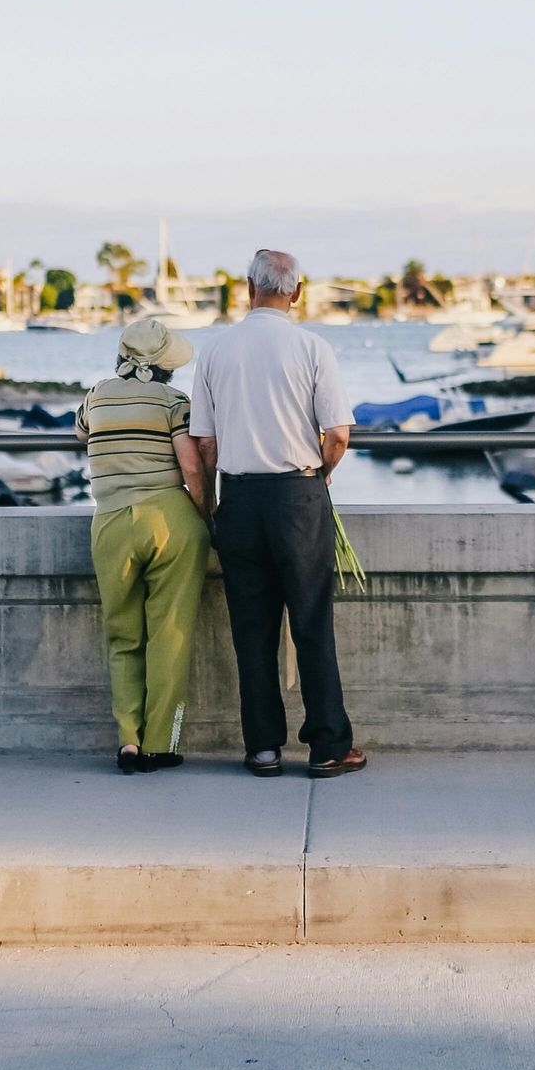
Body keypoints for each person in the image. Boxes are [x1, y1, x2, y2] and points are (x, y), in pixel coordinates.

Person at [189, 249, 367, 779]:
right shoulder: (312, 347)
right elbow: (337, 435)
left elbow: (205, 442)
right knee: (312, 623)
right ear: (297, 291)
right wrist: (322, 470)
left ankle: (263, 748)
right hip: (298, 496)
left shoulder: (215, 352)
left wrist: (217, 506)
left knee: (252, 629)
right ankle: (329, 746)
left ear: (249, 288)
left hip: (241, 500)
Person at [74, 313, 212, 773]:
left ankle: (128, 740)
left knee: (122, 636)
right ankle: (160, 744)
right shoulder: (174, 401)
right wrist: (206, 513)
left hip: (111, 520)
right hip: (169, 518)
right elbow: (192, 467)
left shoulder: (95, 396)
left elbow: (81, 435)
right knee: (168, 635)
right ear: (167, 362)